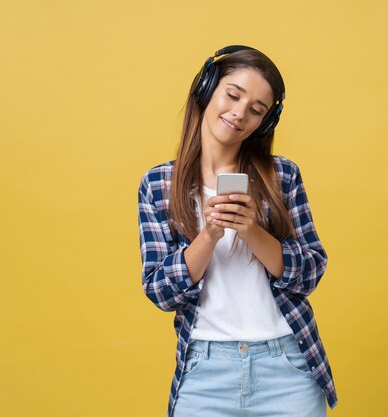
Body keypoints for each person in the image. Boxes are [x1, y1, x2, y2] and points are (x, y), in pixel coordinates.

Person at [137, 45, 337, 417]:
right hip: (204, 371)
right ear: (206, 89)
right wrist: (209, 235)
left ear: (265, 122)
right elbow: (160, 292)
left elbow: (311, 272)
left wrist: (253, 232)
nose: (239, 113)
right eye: (232, 95)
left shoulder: (282, 176)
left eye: (256, 110)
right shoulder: (158, 184)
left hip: (287, 367)